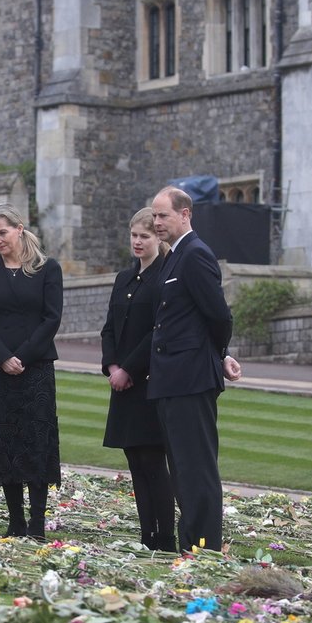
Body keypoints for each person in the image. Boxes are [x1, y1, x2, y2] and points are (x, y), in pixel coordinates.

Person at [148, 186, 241, 554]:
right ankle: (191, 545)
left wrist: (218, 355)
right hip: (171, 378)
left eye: (163, 215)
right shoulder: (174, 256)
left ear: (185, 215)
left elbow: (218, 315)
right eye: (154, 216)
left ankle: (204, 547)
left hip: (190, 378)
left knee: (197, 469)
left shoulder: (196, 255)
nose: (156, 222)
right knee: (182, 470)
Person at [0, 203, 63, 540]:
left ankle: (37, 524)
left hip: (35, 369)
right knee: (4, 440)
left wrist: (21, 356)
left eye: (3, 232)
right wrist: (2, 357)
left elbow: (51, 318)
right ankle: (15, 521)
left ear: (19, 229)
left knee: (36, 441)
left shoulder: (47, 269)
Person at [100, 208, 176, 551]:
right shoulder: (124, 278)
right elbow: (110, 329)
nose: (137, 242)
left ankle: (165, 537)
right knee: (134, 460)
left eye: (144, 236)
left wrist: (128, 369)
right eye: (133, 236)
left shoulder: (165, 277)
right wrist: (112, 366)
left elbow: (157, 332)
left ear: (158, 238)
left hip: (149, 381)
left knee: (153, 462)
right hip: (123, 383)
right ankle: (147, 536)